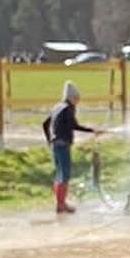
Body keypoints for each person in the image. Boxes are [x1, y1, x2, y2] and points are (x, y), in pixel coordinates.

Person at [44, 80, 100, 214]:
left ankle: (60, 203)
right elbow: (74, 126)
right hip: (63, 144)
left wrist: (49, 140)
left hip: (55, 144)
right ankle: (61, 205)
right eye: (76, 99)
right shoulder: (67, 109)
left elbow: (45, 124)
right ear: (72, 98)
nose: (77, 101)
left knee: (59, 174)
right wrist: (93, 130)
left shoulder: (57, 107)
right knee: (65, 175)